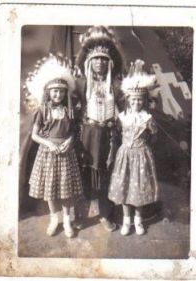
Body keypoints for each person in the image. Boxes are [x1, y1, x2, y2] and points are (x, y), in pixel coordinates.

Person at [23, 53, 83, 238]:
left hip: (66, 152)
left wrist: (69, 141)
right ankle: (53, 218)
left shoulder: (69, 111)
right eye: (54, 91)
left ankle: (66, 219)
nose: (58, 94)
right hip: (48, 153)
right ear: (48, 92)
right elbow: (34, 135)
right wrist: (48, 143)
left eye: (61, 91)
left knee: (66, 190)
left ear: (66, 93)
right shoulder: (43, 111)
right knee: (50, 190)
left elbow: (73, 131)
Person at [75, 26, 124, 231]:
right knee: (84, 173)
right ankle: (81, 213)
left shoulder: (116, 85)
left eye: (104, 59)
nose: (99, 62)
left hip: (109, 136)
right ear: (89, 62)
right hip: (87, 136)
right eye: (95, 59)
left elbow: (127, 109)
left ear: (110, 62)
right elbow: (68, 105)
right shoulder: (81, 84)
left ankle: (105, 214)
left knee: (107, 174)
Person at [108, 59, 159, 235]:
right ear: (128, 100)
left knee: (139, 188)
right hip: (125, 156)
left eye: (139, 100)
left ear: (144, 100)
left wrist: (144, 147)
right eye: (133, 100)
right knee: (124, 187)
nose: (136, 103)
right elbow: (115, 135)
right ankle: (126, 220)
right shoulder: (122, 117)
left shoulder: (147, 118)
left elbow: (154, 136)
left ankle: (138, 220)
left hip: (141, 155)